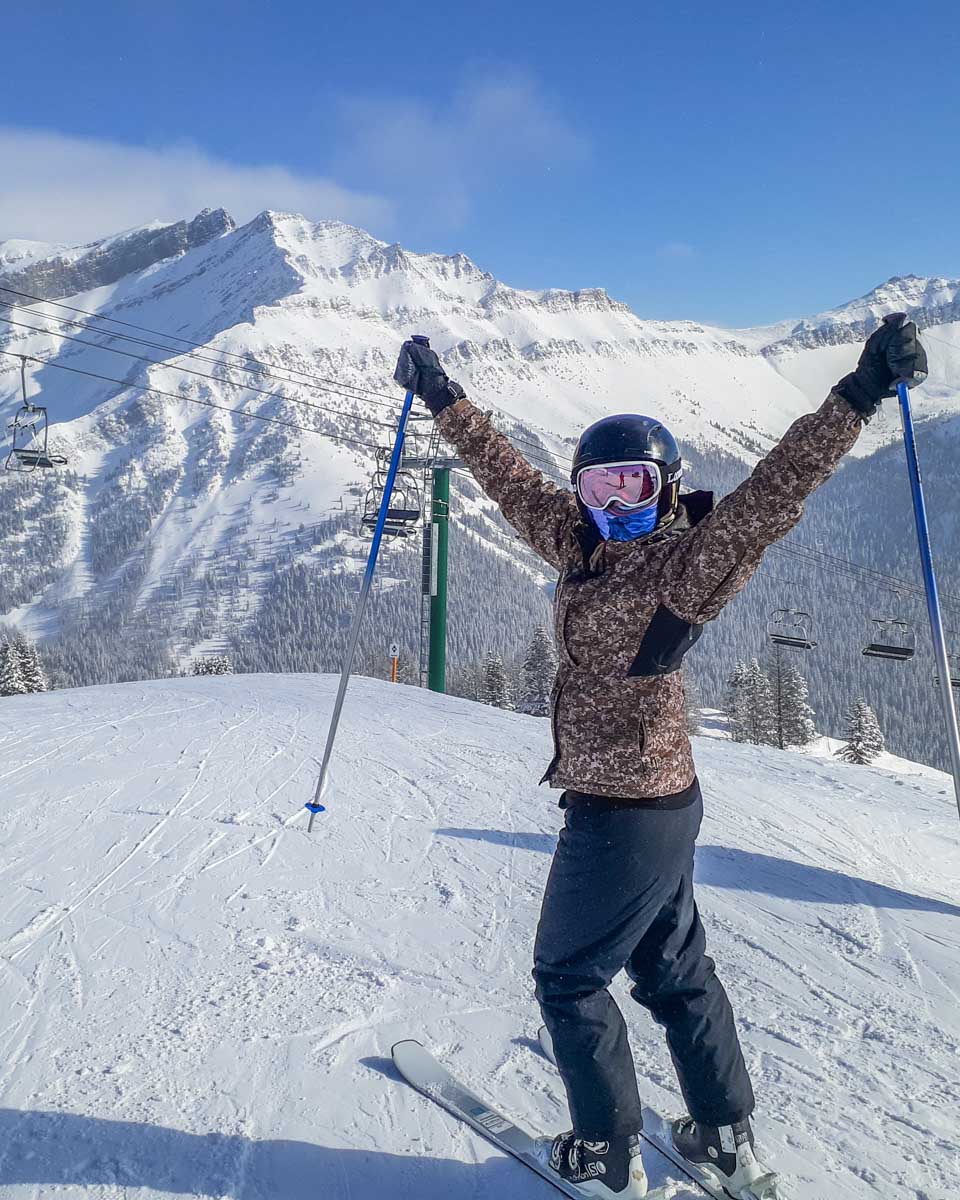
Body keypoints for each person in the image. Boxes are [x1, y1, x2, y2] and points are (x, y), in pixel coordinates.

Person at [394, 317, 927, 1199]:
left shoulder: (686, 567)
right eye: (598, 487)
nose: (615, 505)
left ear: (668, 486)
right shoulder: (581, 542)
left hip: (626, 812)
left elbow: (773, 493)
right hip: (665, 800)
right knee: (673, 970)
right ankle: (723, 1136)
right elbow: (508, 477)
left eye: (634, 486)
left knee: (567, 977)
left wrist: (860, 392)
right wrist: (442, 395)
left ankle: (606, 1158)